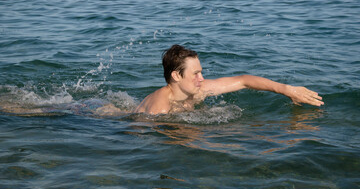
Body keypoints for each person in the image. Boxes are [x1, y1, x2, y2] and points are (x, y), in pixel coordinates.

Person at [134, 44, 324, 115]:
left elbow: (243, 80)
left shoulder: (197, 89)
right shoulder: (160, 109)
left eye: (201, 72)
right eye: (195, 74)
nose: (202, 78)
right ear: (176, 75)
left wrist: (288, 90)